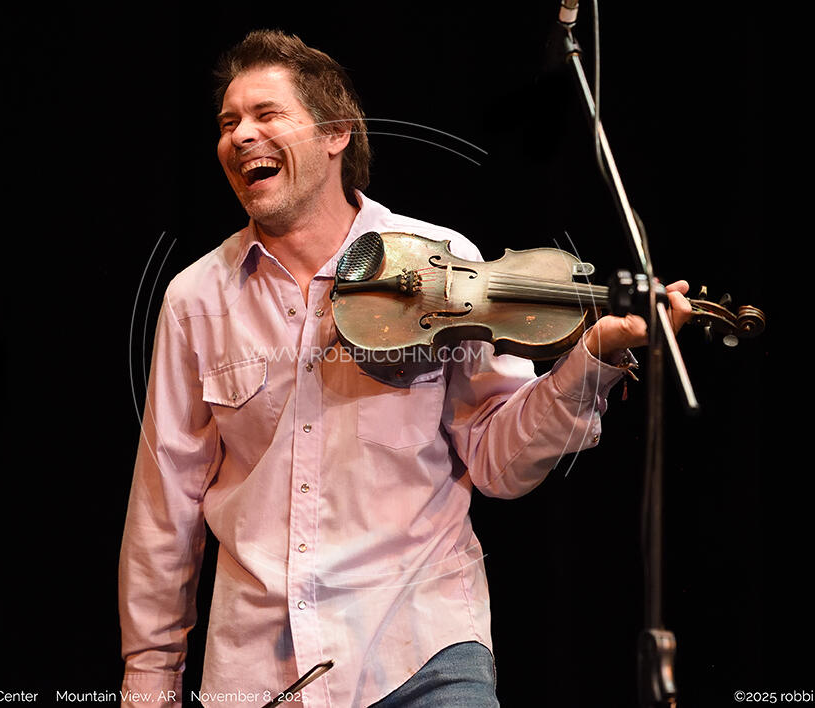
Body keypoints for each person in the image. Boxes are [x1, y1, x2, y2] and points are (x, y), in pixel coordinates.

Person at [118, 29, 691, 708]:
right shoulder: (195, 299)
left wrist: (591, 358)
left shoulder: (444, 263)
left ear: (336, 133)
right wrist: (149, 682)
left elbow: (498, 461)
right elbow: (165, 508)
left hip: (423, 652)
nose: (241, 136)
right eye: (228, 123)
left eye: (266, 115)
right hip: (259, 672)